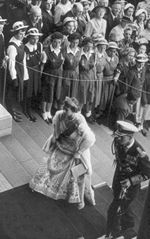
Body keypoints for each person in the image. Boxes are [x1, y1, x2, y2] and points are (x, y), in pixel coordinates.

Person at [29, 96, 96, 210]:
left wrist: (79, 152)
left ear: (74, 110)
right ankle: (41, 185)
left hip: (75, 151)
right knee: (49, 165)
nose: (65, 111)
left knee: (80, 175)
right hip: (61, 145)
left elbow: (90, 139)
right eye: (64, 108)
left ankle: (82, 199)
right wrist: (55, 137)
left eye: (67, 109)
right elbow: (56, 128)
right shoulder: (59, 115)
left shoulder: (80, 122)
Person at [105, 120, 150, 239]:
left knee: (113, 211)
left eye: (121, 137)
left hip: (130, 188)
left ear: (130, 137)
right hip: (118, 179)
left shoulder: (140, 153)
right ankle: (129, 222)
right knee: (122, 203)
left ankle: (112, 233)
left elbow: (148, 173)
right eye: (118, 136)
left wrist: (131, 181)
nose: (118, 139)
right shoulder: (119, 142)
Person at [6, 21, 29, 122]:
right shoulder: (12, 46)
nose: (23, 35)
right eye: (20, 33)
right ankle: (10, 111)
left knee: (16, 93)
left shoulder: (20, 44)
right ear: (15, 34)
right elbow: (11, 64)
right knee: (10, 93)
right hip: (14, 72)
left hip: (20, 70)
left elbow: (23, 60)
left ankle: (14, 110)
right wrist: (14, 78)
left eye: (23, 32)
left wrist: (25, 75)